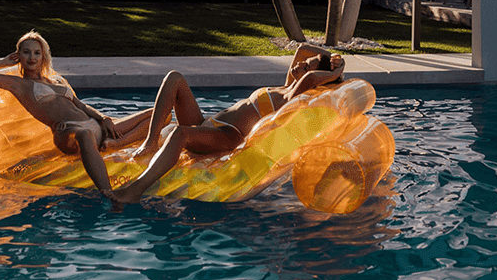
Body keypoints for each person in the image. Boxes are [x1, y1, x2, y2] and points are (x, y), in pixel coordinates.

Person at [112, 44, 346, 204]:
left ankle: (136, 190)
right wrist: (331, 56)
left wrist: (337, 71)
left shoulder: (293, 94)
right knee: (174, 78)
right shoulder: (286, 85)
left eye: (307, 65)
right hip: (208, 123)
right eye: (304, 63)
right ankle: (151, 144)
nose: (301, 64)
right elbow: (301, 49)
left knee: (180, 133)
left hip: (227, 136)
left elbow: (312, 78)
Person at [0, 31, 157, 199]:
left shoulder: (55, 80)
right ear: (18, 55)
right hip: (68, 133)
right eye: (26, 52)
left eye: (37, 52)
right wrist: (5, 61)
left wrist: (103, 119)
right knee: (84, 135)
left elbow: (80, 105)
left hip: (94, 125)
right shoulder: (19, 85)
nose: (32, 57)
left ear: (43, 56)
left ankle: (115, 143)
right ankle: (109, 194)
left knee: (158, 115)